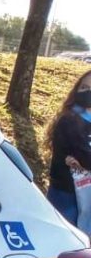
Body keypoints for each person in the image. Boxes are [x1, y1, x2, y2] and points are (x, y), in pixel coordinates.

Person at [46, 71, 91, 226]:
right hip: (66, 195)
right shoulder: (69, 120)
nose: (88, 93)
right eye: (84, 87)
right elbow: (85, 158)